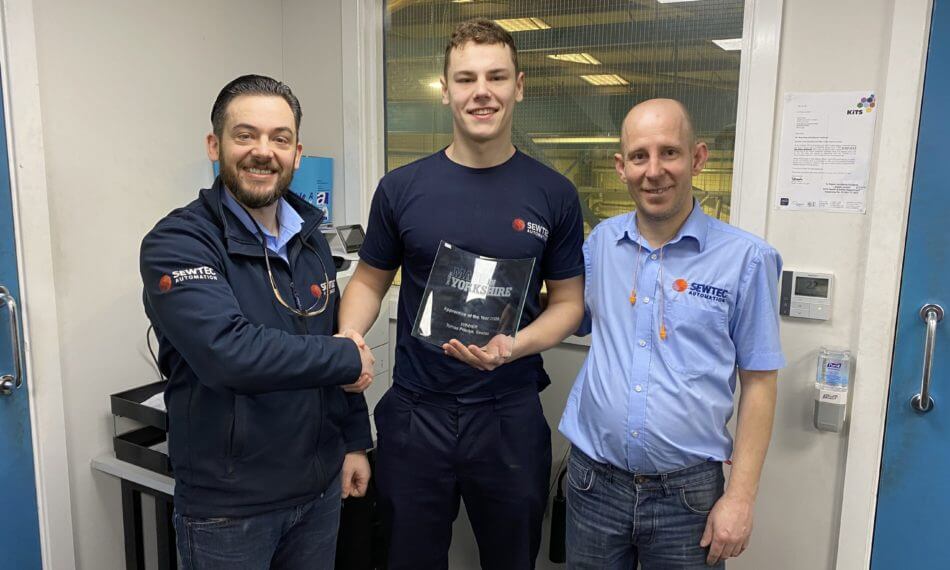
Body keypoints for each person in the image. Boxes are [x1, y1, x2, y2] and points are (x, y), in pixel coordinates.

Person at [338, 18, 585, 570]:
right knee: (407, 558)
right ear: (446, 89)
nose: (482, 92)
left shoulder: (553, 193)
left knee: (512, 558)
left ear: (518, 86)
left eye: (496, 77)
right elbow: (370, 280)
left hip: (507, 411)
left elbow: (569, 303)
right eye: (466, 78)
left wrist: (513, 346)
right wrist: (349, 336)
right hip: (416, 412)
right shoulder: (401, 189)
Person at [139, 74, 375, 570]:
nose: (262, 151)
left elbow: (334, 340)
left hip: (318, 492)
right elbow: (230, 353)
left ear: (296, 152)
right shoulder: (178, 242)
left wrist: (354, 442)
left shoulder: (311, 238)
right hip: (229, 511)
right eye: (245, 135)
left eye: (279, 138)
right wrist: (347, 356)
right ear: (214, 144)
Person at [559, 98, 784, 569]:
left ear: (698, 158)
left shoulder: (746, 260)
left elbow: (760, 383)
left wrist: (740, 499)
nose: (654, 170)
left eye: (670, 153)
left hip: (688, 497)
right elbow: (565, 312)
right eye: (639, 156)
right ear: (621, 167)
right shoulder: (600, 243)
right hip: (593, 485)